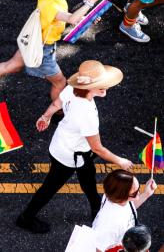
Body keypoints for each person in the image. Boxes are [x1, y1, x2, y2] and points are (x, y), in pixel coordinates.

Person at [16, 60, 134, 234]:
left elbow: (56, 104)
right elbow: (98, 148)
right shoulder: (86, 114)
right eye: (99, 85)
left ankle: (95, 208)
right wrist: (120, 161)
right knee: (50, 188)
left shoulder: (72, 89)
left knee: (88, 178)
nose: (104, 88)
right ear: (88, 86)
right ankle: (25, 218)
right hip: (69, 156)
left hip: (70, 148)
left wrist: (46, 117)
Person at [92, 170, 157, 251]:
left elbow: (129, 208)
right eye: (134, 193)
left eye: (138, 188)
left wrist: (147, 193)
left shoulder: (114, 195)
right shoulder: (108, 226)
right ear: (121, 195)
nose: (138, 194)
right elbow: (98, 248)